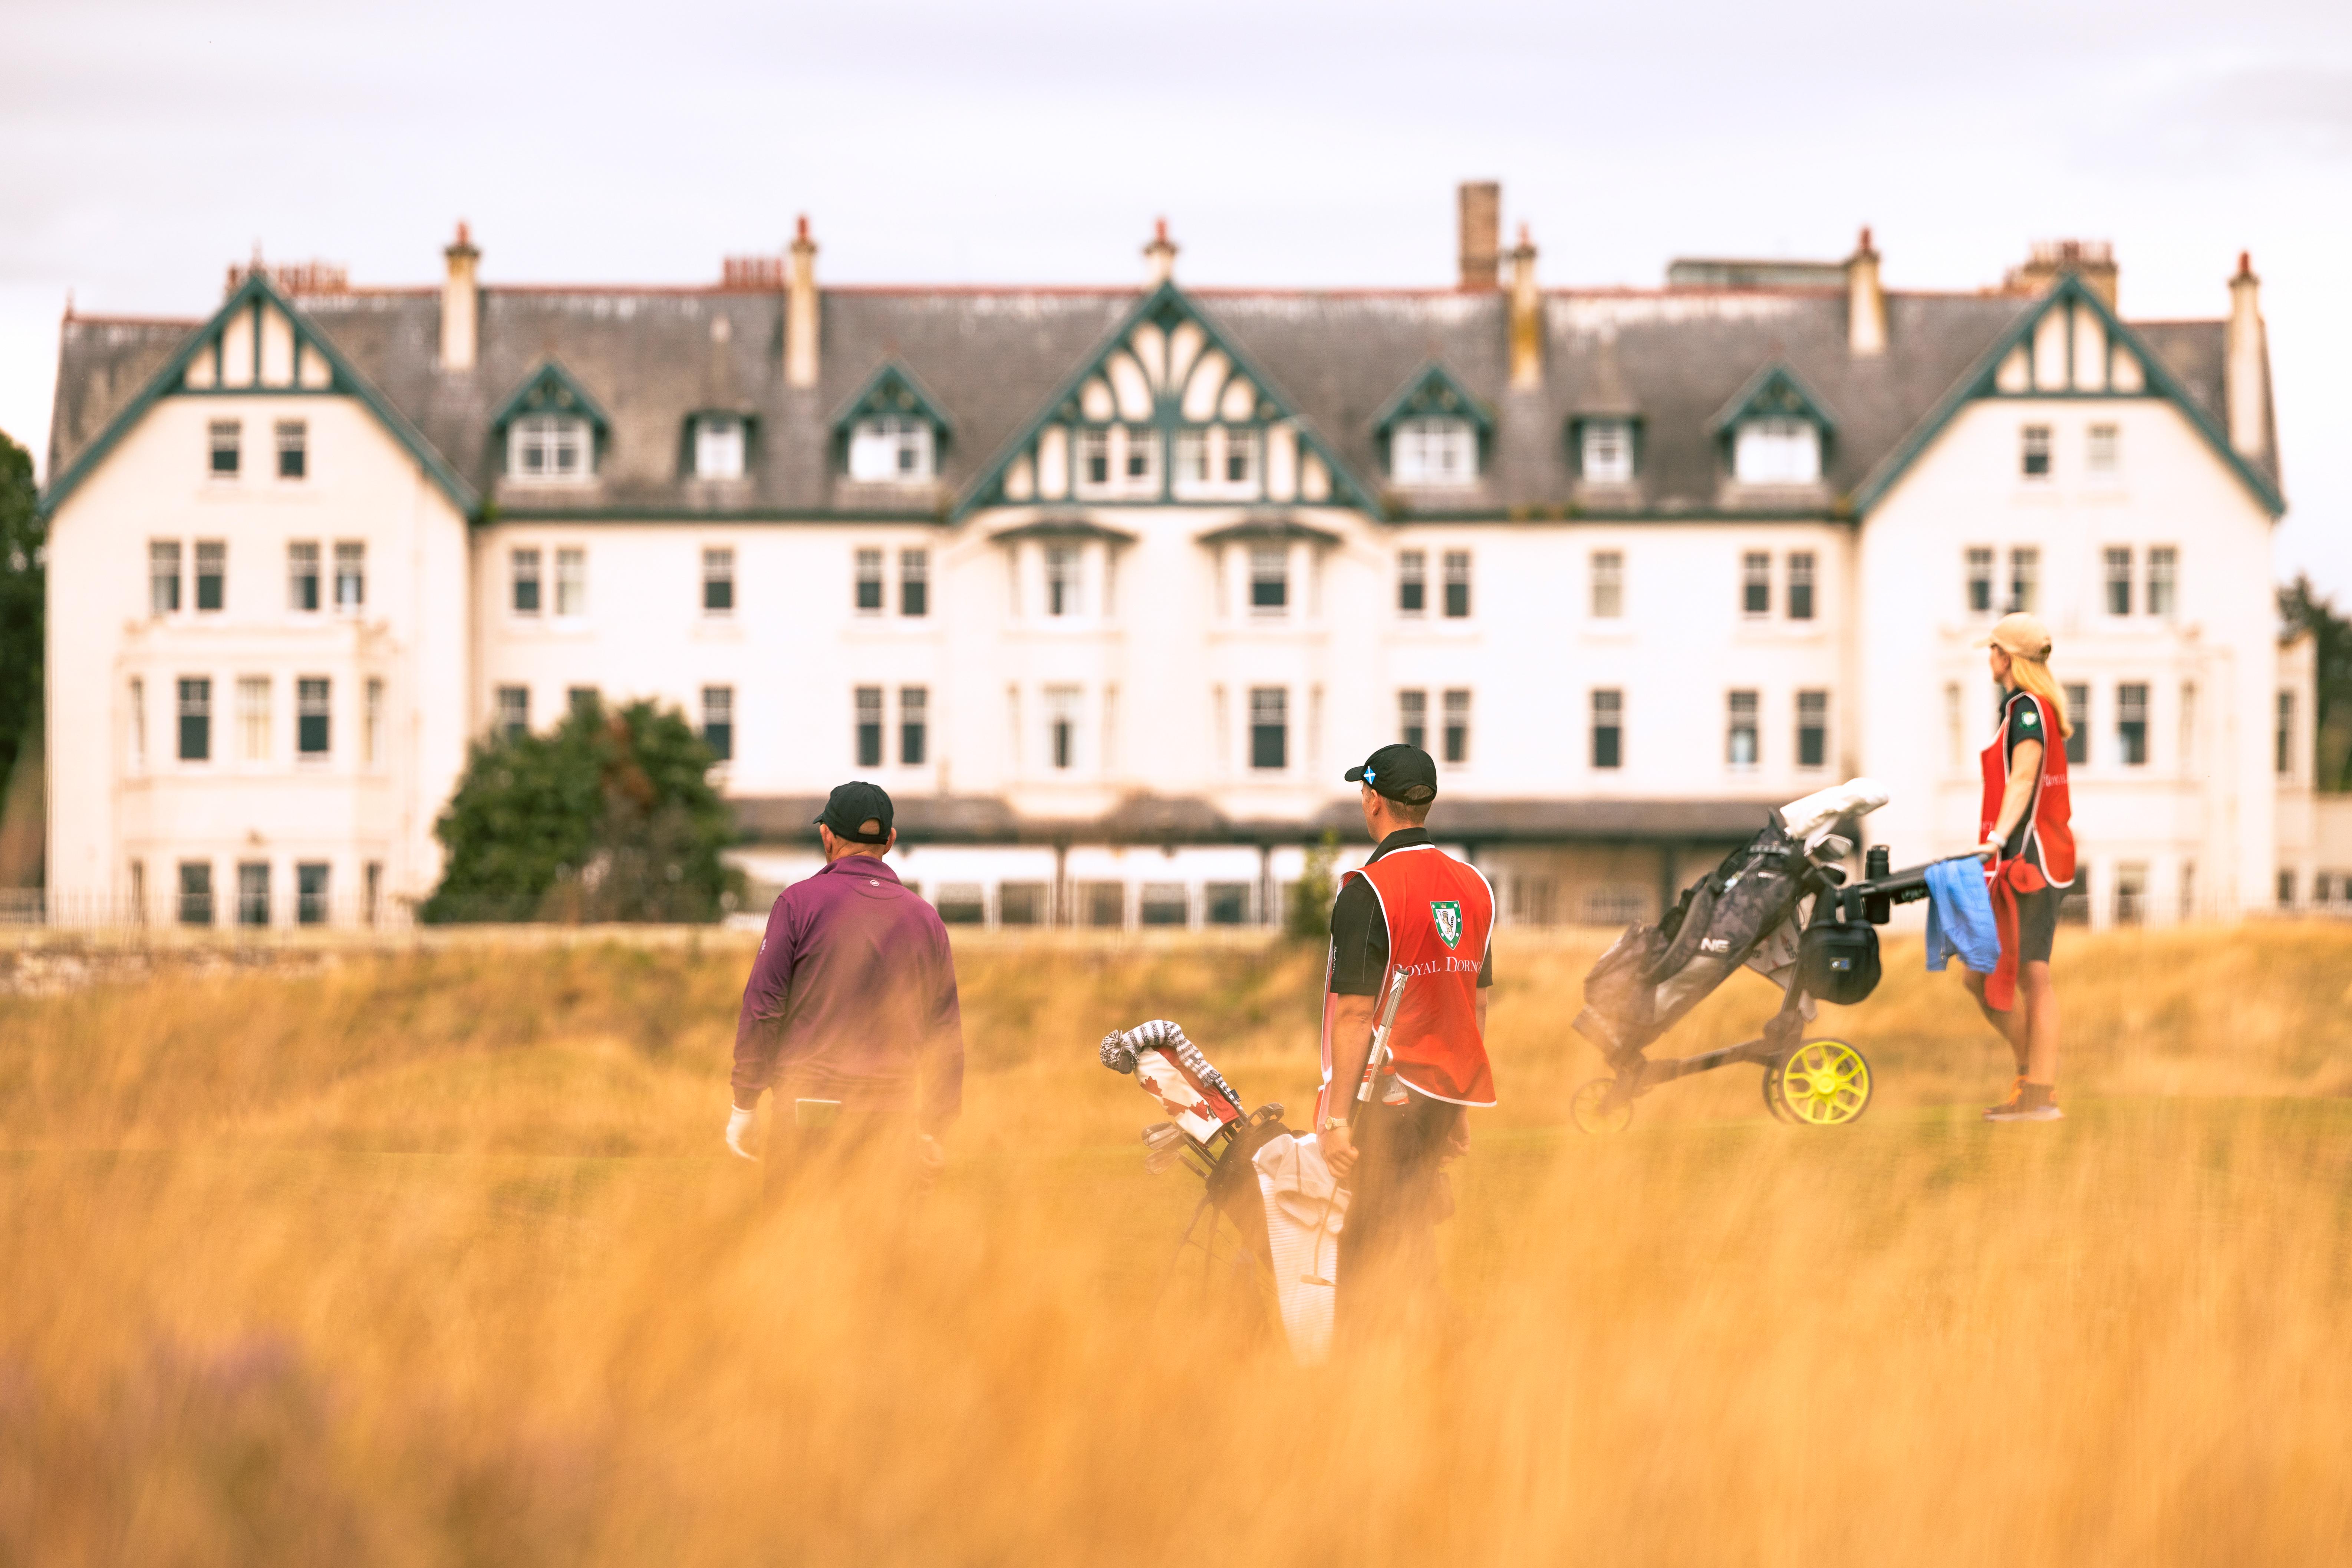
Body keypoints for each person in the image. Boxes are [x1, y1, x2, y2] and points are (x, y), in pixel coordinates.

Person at [1316, 742, 1496, 1337]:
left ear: (1373, 800)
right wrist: (1461, 1100)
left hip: (1384, 1101)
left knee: (1363, 1248)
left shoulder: (1366, 891)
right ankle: (1440, 1362)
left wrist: (1337, 1118)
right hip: (1442, 1097)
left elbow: (1353, 1016)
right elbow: (1474, 1002)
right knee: (1408, 1228)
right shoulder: (1472, 886)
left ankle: (1377, 1370)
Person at [726, 781, 964, 1196]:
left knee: (794, 1243)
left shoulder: (797, 904)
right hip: (891, 1117)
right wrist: (933, 1128)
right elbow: (945, 1036)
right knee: (883, 1253)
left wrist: (744, 1102)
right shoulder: (926, 920)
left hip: (809, 1111)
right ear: (889, 841)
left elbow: (763, 1007)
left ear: (827, 836)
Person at [1961, 612, 2075, 1123]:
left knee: (2020, 976)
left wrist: (1996, 841)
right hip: (2035, 858)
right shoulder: (2035, 707)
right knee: (2012, 976)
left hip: (2028, 860)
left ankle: (2037, 1089)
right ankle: (2034, 1085)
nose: (1988, 658)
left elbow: (2023, 779)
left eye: (1992, 650)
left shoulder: (2026, 709)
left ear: (2006, 658)